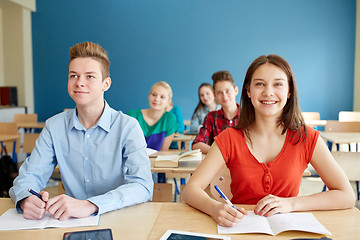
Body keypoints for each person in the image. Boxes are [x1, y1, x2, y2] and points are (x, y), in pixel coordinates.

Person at [182, 54, 355, 227]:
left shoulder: (307, 137)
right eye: (259, 84)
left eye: (278, 84)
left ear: (289, 92)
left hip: (288, 232)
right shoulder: (229, 138)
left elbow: (346, 195)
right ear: (248, 91)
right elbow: (190, 190)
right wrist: (214, 208)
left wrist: (291, 204)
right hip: (239, 231)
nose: (268, 92)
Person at [9, 42, 153, 221]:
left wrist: (90, 205)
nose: (79, 82)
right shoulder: (54, 127)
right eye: (73, 75)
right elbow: (30, 175)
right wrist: (26, 199)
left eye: (90, 76)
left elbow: (142, 186)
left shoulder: (128, 127)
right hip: (69, 222)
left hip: (118, 218)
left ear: (105, 84)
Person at [192, 71, 240, 154]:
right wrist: (222, 153)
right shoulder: (211, 117)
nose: (224, 96)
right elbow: (197, 145)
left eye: (227, 91)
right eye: (219, 92)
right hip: (219, 165)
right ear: (215, 95)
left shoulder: (249, 115)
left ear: (236, 90)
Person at [127, 81, 178, 152]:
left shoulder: (169, 119)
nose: (157, 99)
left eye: (162, 97)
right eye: (154, 95)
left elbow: (163, 151)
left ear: (168, 102)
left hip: (156, 161)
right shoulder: (133, 115)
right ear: (149, 96)